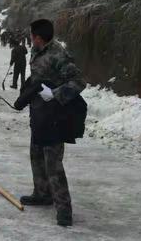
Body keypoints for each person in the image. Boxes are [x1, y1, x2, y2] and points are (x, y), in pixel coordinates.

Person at [13, 19, 86, 227]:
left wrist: (54, 94)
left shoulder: (59, 55)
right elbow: (38, 77)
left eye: (31, 35)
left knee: (53, 163)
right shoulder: (38, 51)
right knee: (36, 154)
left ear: (37, 37)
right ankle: (42, 193)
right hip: (39, 113)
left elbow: (79, 82)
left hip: (55, 115)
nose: (30, 39)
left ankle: (64, 210)